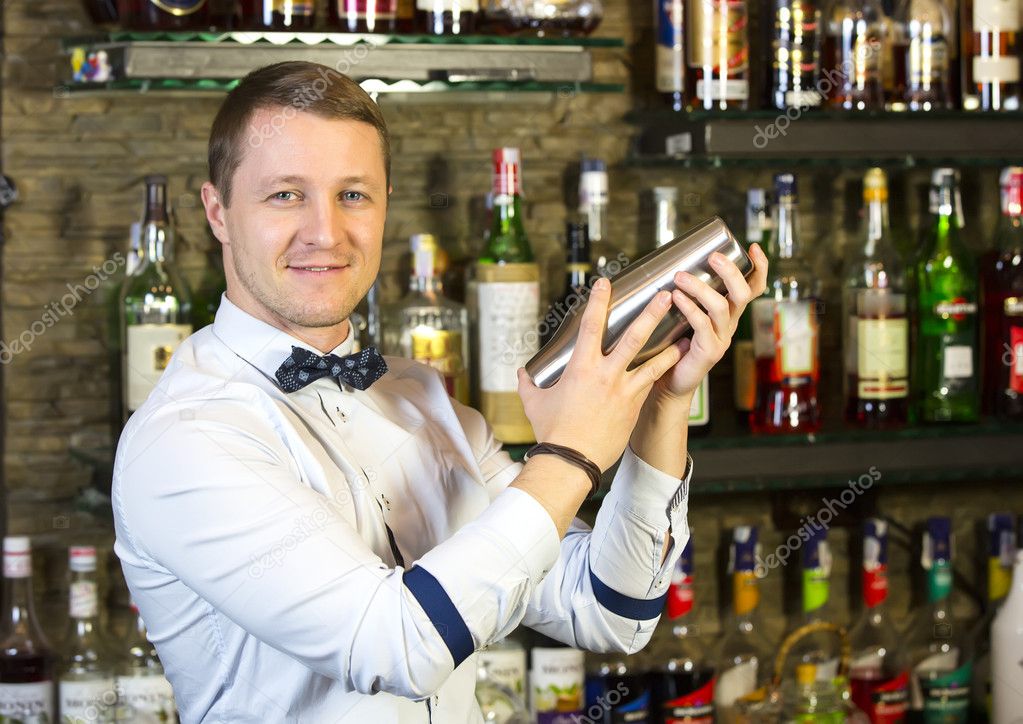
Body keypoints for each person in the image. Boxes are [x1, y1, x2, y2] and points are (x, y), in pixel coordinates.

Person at [111, 61, 768, 723]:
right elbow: (394, 645)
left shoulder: (420, 396)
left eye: (353, 195)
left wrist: (661, 400)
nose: (325, 232)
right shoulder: (186, 438)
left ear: (386, 204)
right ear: (218, 212)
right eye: (285, 195)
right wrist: (567, 455)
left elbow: (607, 611)